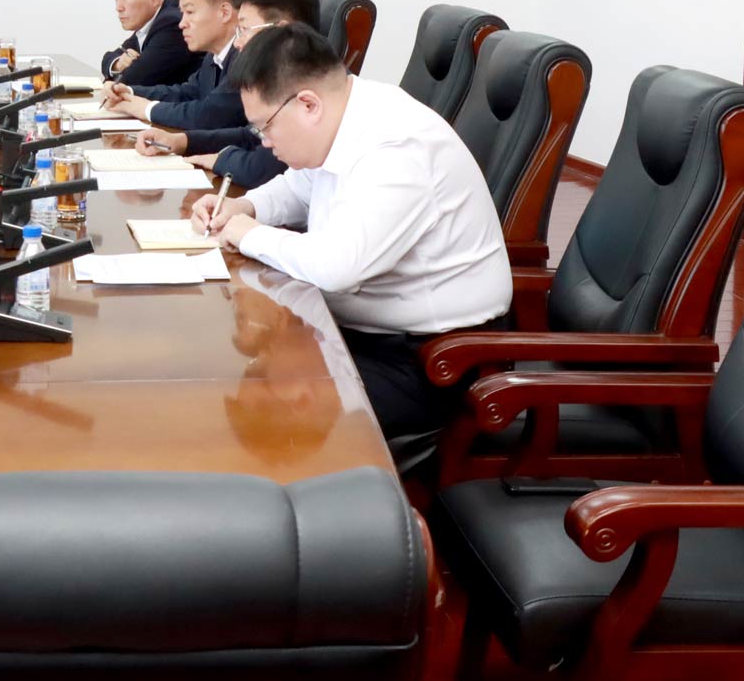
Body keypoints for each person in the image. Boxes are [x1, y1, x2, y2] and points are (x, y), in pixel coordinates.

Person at [192, 24, 511, 438]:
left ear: (308, 104)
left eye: (264, 127)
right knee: (233, 364)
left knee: (275, 418)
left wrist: (248, 234)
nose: (264, 142)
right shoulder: (346, 116)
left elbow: (338, 268)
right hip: (370, 335)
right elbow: (299, 187)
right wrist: (244, 206)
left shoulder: (394, 148)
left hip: (434, 360)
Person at [138, 0, 318, 188]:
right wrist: (182, 141)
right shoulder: (285, 78)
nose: (238, 43)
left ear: (281, 31)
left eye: (244, 29)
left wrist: (219, 159)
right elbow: (253, 136)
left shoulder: (305, 90)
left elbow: (259, 169)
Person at [100, 0, 243, 129]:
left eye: (190, 12)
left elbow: (209, 114)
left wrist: (144, 108)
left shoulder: (245, 58)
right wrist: (129, 91)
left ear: (224, 12)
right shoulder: (213, 56)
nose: (182, 24)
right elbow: (187, 93)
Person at [100, 0, 198, 88]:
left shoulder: (172, 24)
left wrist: (115, 78)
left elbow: (130, 80)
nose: (118, 7)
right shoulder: (149, 23)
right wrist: (118, 64)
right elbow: (109, 57)